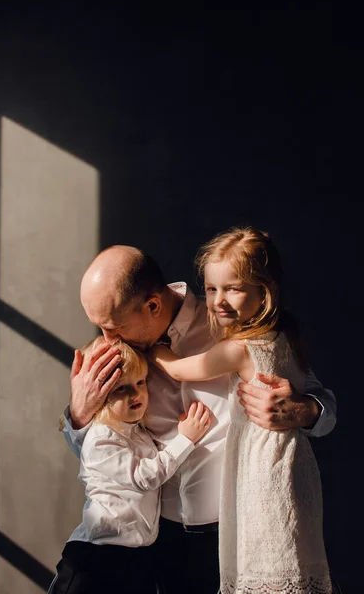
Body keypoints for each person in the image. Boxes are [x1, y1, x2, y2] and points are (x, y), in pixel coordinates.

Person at [62, 243, 336, 594]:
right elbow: (104, 461)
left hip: (240, 534)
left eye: (113, 327)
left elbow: (322, 403)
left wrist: (305, 410)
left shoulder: (234, 322)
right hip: (162, 544)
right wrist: (80, 415)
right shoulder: (119, 356)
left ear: (153, 306)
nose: (106, 340)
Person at [149, 227, 332, 594]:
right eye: (212, 288)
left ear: (264, 292)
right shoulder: (284, 334)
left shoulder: (241, 347)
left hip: (260, 472)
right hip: (284, 466)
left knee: (267, 555)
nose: (218, 300)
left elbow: (182, 369)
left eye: (233, 288)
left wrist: (152, 349)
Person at [51, 337, 211, 594]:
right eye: (121, 388)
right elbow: (144, 477)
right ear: (100, 395)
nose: (135, 393)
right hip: (97, 557)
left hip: (137, 556)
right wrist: (186, 439)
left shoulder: (138, 432)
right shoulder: (100, 438)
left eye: (140, 382)